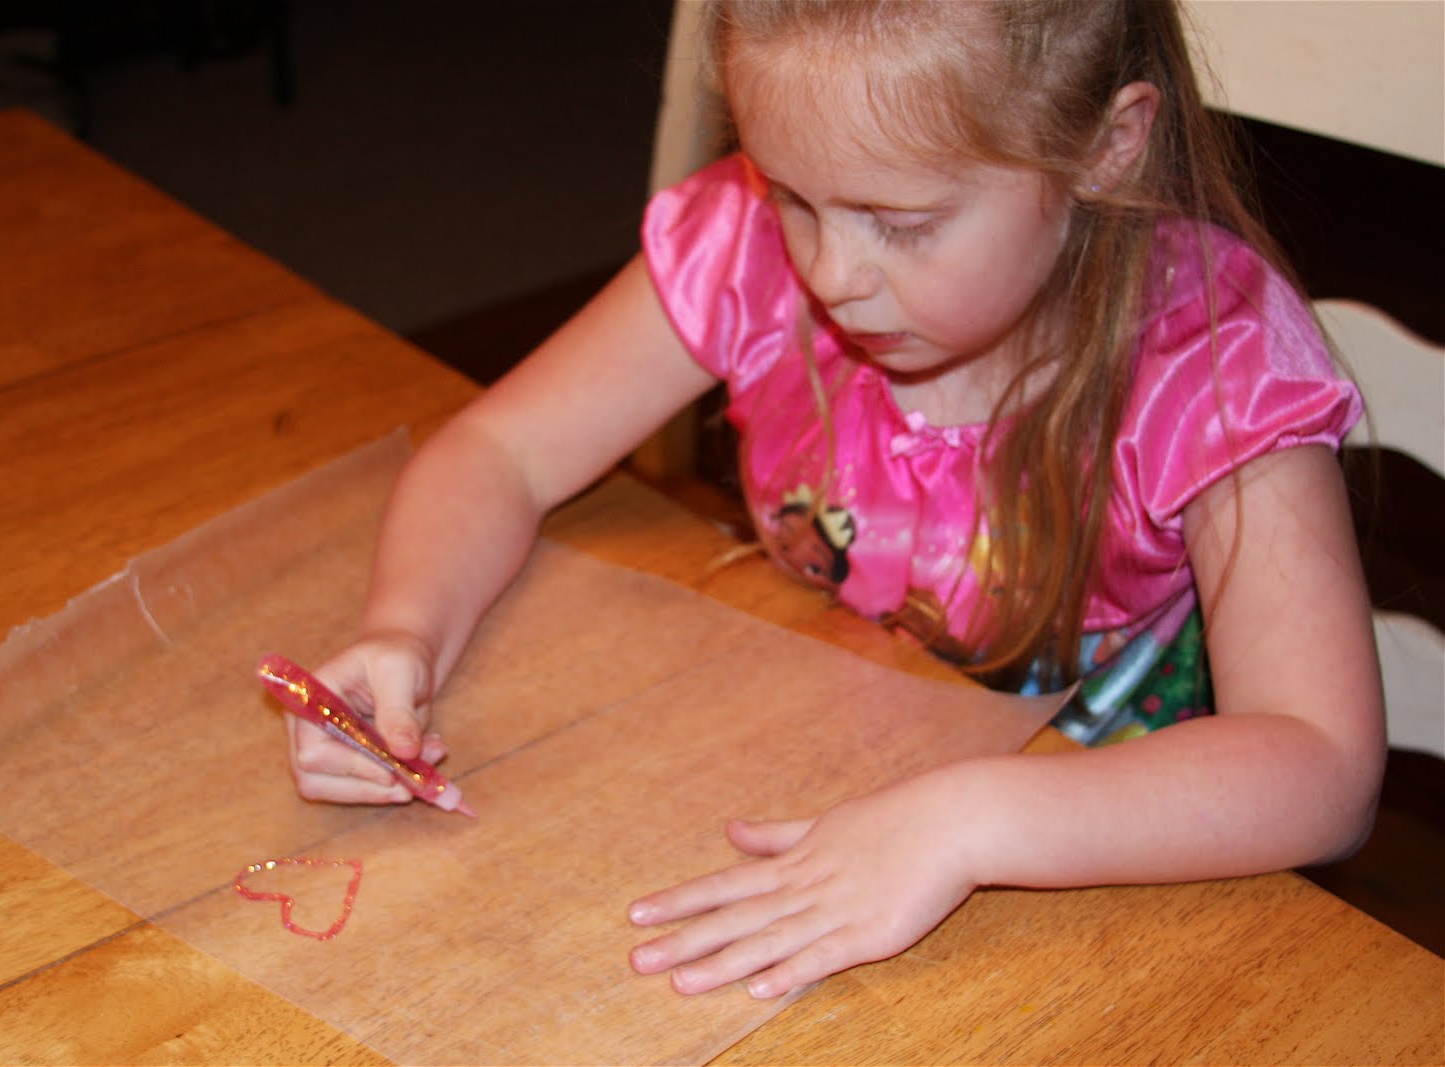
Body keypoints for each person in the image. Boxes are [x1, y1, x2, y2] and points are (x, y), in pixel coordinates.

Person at [287, 0, 1384, 999]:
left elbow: (1319, 760)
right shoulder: (749, 245)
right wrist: (404, 629)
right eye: (789, 193)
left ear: (1106, 143)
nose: (831, 272)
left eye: (900, 223)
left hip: (1091, 889)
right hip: (802, 770)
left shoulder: (1212, 362)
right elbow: (503, 450)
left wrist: (966, 819)